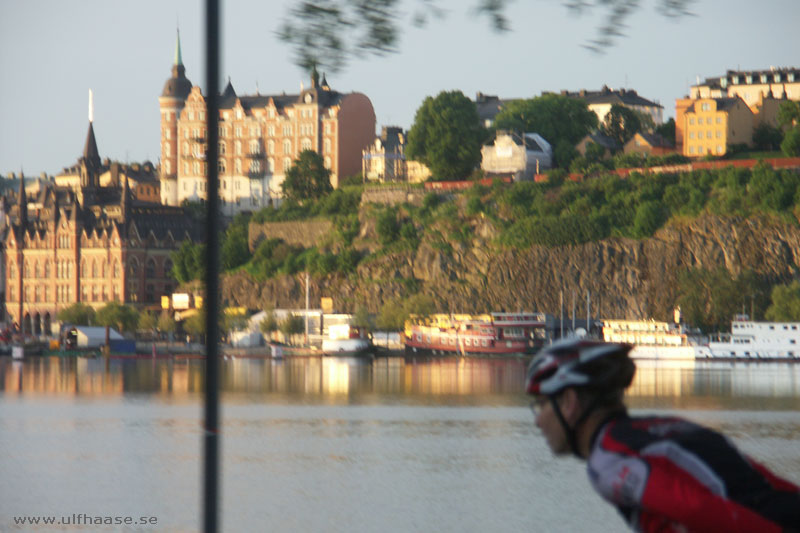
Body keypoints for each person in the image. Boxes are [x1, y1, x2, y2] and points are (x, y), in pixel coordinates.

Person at [525, 338, 800, 532]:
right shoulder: (668, 426)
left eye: (541, 405)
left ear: (568, 402)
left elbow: (695, 509)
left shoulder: (607, 461)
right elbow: (765, 480)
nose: (537, 421)